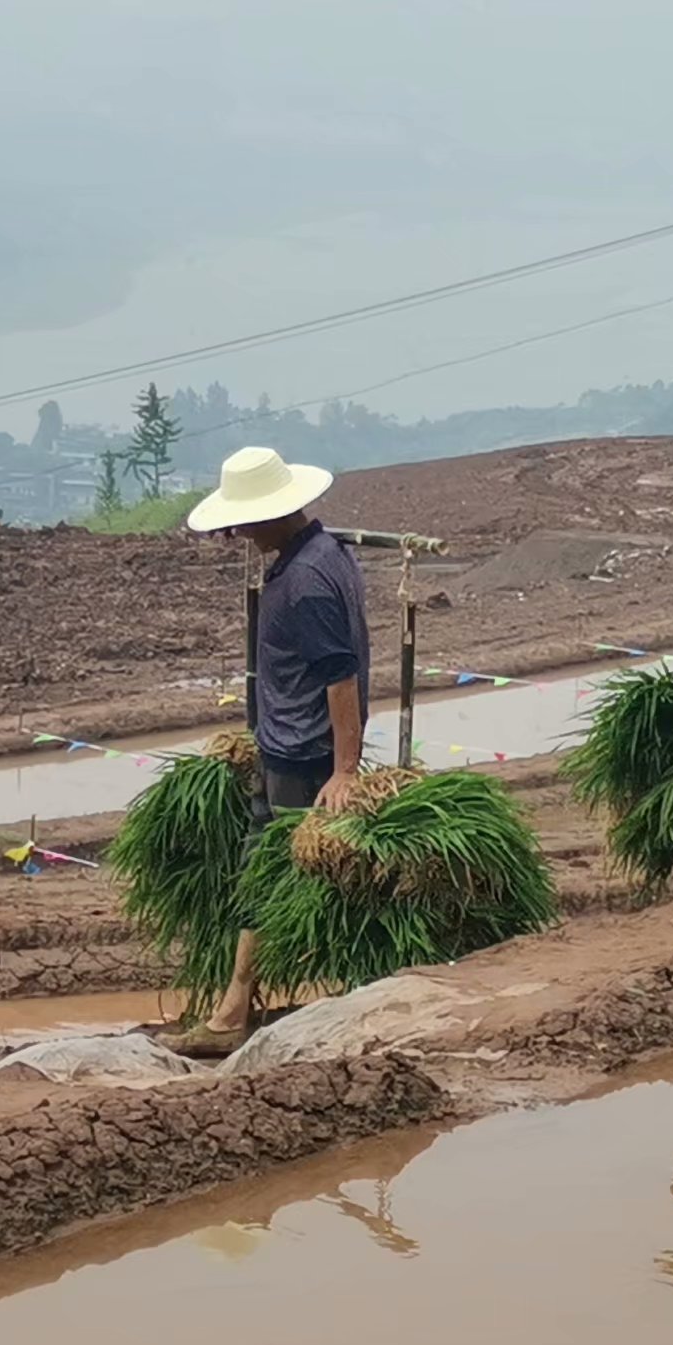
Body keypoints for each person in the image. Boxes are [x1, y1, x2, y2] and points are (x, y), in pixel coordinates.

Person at [169, 446, 369, 1058]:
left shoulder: (305, 582)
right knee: (280, 874)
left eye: (243, 520)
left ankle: (232, 1013)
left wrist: (342, 771)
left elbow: (340, 678)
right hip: (285, 744)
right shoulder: (322, 553)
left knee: (262, 875)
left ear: (275, 513)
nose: (235, 532)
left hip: (301, 757)